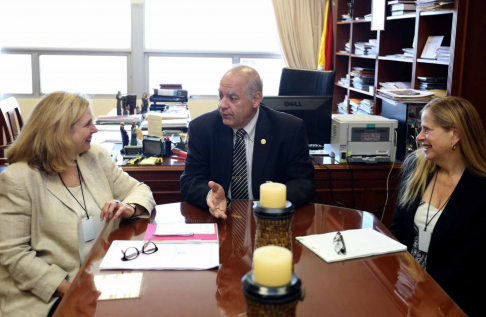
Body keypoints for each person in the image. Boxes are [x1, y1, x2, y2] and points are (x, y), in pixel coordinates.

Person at [0, 91, 156, 317]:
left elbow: (140, 189)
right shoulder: (18, 179)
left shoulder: (94, 157)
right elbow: (14, 255)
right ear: (62, 131)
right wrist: (70, 289)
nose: (95, 129)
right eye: (88, 124)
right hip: (48, 295)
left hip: (99, 275)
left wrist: (130, 207)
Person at [389, 96, 486, 316]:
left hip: (450, 300)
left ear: (455, 134)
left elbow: (467, 264)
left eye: (427, 130)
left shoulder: (480, 189)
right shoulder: (415, 166)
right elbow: (397, 232)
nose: (420, 137)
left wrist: (426, 295)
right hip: (403, 287)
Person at [180, 65, 315, 218]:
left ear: (255, 99)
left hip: (270, 220)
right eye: (221, 96)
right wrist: (208, 195)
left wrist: (268, 202)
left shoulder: (289, 129)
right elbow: (190, 180)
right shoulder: (202, 128)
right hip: (220, 217)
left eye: (232, 98)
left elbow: (303, 182)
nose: (222, 105)